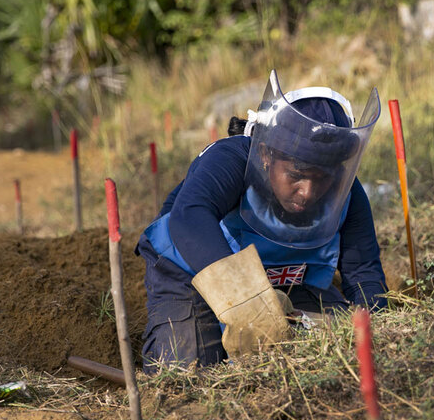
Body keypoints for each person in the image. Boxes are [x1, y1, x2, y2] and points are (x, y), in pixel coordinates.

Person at [136, 69, 388, 372]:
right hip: (191, 272)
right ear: (267, 154)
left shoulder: (346, 190)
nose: (308, 192)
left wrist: (380, 330)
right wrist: (247, 302)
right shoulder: (231, 159)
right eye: (296, 175)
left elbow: (362, 270)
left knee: (330, 352)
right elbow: (189, 217)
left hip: (289, 281)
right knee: (188, 372)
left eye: (323, 178)